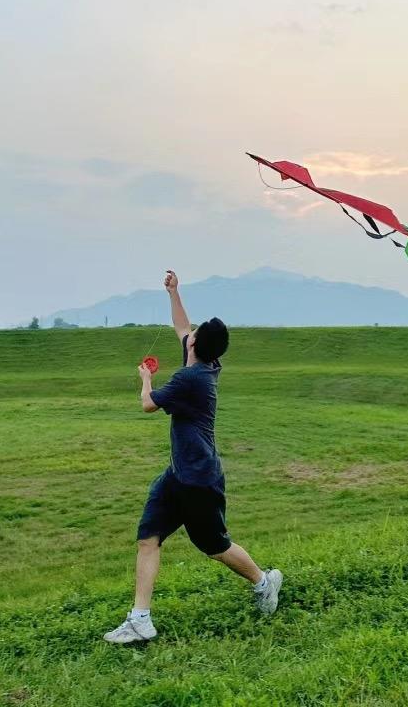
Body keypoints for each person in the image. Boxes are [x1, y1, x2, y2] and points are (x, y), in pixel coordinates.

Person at [104, 270, 282, 644]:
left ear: (197, 346)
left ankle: (264, 582)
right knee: (148, 538)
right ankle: (140, 618)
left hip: (199, 479)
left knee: (215, 546)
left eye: (194, 334)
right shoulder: (207, 363)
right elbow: (182, 326)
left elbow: (148, 406)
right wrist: (174, 293)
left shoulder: (192, 379)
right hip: (179, 474)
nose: (190, 333)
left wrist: (145, 378)